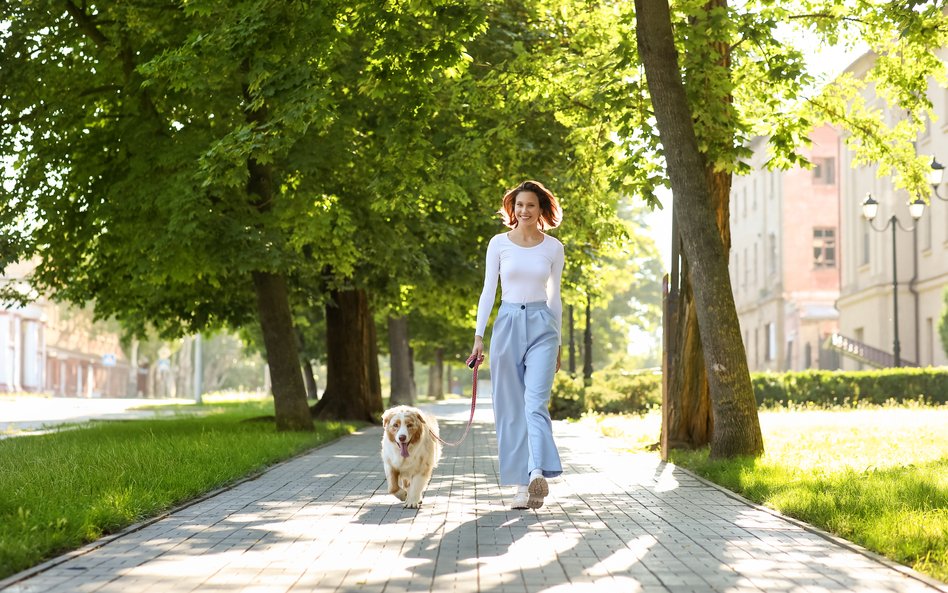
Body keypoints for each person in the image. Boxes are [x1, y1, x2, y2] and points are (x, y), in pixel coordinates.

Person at [471, 180, 564, 510]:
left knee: (535, 404)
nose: (524, 211)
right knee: (510, 409)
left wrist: (559, 343)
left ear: (541, 211)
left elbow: (555, 297)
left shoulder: (553, 248)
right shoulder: (498, 244)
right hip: (507, 324)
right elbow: (487, 292)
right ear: (513, 209)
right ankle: (521, 487)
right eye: (519, 205)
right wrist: (479, 336)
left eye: (531, 205)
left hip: (542, 326)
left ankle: (536, 471)